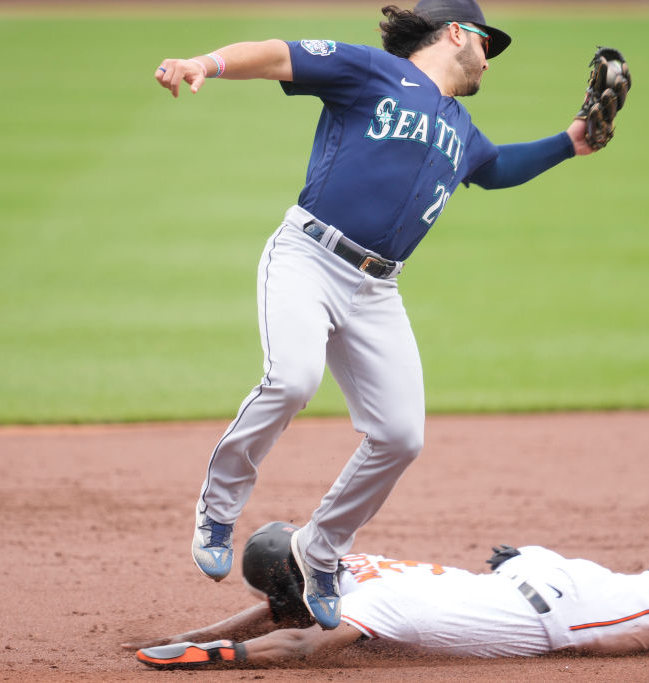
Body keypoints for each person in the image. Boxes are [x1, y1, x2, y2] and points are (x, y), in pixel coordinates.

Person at [152, 1, 605, 629]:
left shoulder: (460, 125)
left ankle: (321, 552)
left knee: (401, 435)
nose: (487, 59)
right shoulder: (370, 72)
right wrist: (206, 62)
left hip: (377, 291)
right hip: (309, 256)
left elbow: (496, 169)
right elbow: (281, 53)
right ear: (456, 32)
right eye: (485, 44)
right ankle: (219, 508)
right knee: (292, 379)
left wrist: (570, 142)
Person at [123, 494, 649, 669]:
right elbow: (270, 609)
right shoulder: (349, 568)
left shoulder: (362, 603)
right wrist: (193, 636)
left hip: (566, 613)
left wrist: (214, 658)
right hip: (534, 574)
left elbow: (292, 640)